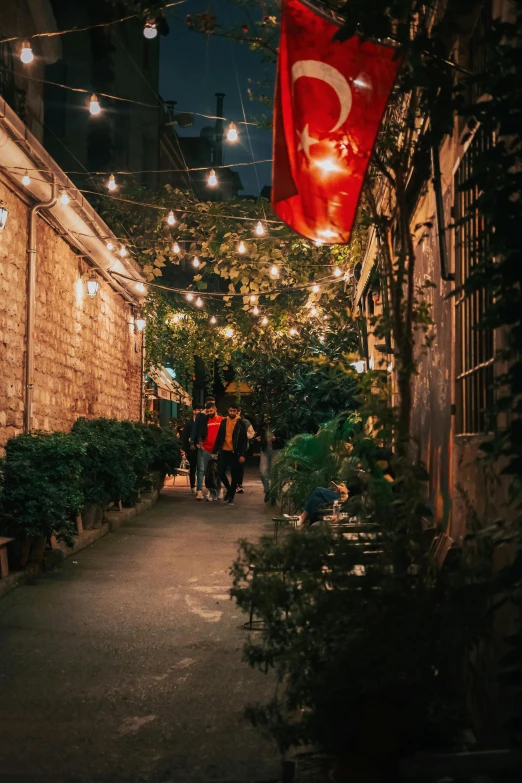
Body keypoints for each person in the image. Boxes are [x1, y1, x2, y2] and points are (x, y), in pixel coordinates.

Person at [214, 404, 248, 504]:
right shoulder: (224, 421)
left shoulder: (241, 423)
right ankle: (230, 490)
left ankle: (231, 496)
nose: (232, 413)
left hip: (235, 452)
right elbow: (219, 436)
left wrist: (242, 454)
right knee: (220, 472)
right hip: (224, 450)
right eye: (231, 411)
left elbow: (244, 441)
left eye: (234, 411)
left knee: (235, 475)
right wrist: (215, 450)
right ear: (228, 410)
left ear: (237, 411)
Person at [194, 400, 223, 501]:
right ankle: (211, 492)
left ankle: (219, 489)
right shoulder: (204, 420)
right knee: (208, 472)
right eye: (208, 411)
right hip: (206, 449)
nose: (209, 413)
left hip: (218, 450)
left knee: (218, 471)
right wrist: (200, 443)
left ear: (215, 409)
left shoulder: (222, 420)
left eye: (211, 411)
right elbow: (200, 432)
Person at [256, 414, 280, 504]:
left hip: (276, 450)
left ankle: (273, 495)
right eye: (265, 417)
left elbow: (286, 436)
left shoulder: (278, 426)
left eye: (268, 417)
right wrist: (258, 439)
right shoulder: (262, 426)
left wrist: (277, 438)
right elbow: (256, 435)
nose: (267, 419)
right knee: (263, 471)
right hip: (265, 450)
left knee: (275, 472)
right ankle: (267, 491)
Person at [181, 405, 202, 495]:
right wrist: (185, 449)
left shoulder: (202, 423)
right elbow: (184, 437)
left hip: (201, 449)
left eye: (201, 410)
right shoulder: (189, 423)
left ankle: (199, 487)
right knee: (193, 468)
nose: (200, 412)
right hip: (191, 450)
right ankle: (193, 486)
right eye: (198, 410)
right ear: (194, 411)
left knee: (201, 468)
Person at [235, 406, 255, 494]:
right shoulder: (229, 421)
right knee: (235, 466)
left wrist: (246, 437)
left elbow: (251, 433)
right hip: (232, 447)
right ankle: (236, 484)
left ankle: (239, 484)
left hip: (242, 447)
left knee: (240, 466)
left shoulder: (245, 422)